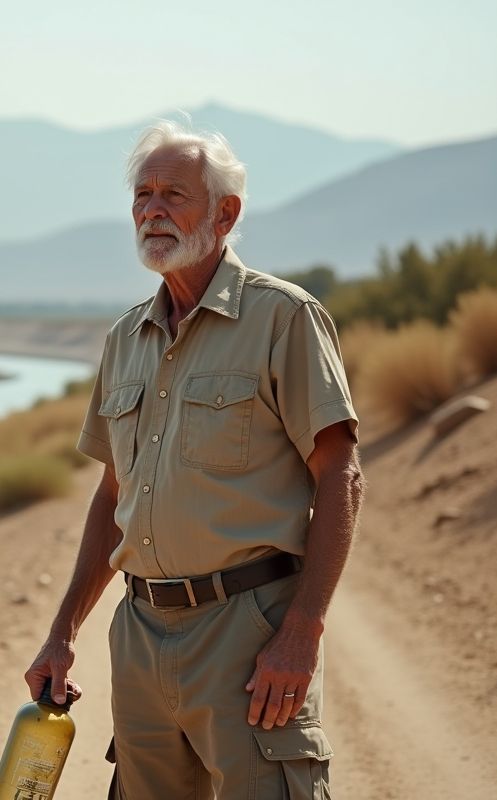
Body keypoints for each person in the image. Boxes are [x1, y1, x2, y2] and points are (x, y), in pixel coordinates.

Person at [25, 119, 365, 799]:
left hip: (247, 631)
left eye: (173, 195)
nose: (152, 209)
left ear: (225, 211)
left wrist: (301, 631)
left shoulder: (283, 319)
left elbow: (341, 476)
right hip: (141, 634)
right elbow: (110, 498)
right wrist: (63, 631)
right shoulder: (126, 338)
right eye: (142, 195)